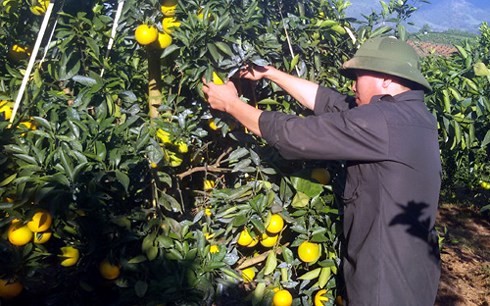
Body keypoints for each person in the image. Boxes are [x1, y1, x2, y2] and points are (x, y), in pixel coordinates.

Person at [202, 36, 441, 305]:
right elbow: (330, 102)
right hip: (414, 275)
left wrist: (231, 105)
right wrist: (269, 72)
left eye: (358, 75)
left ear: (386, 79)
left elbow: (294, 135)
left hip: (384, 285)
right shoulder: (414, 116)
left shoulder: (383, 122)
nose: (352, 85)